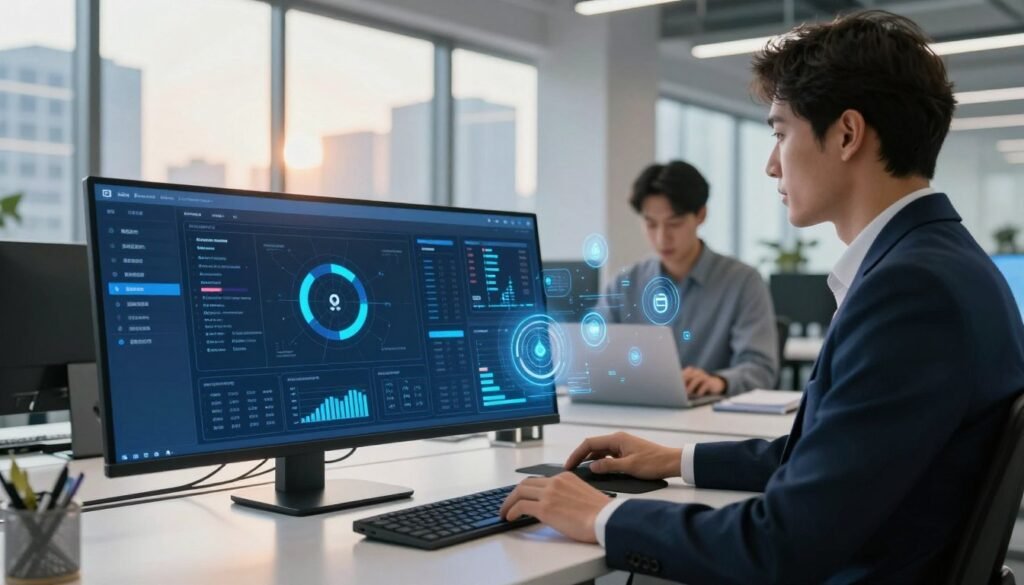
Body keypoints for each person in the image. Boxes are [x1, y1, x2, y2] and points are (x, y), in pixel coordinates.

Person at [501, 10, 1024, 583]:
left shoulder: (911, 289)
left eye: (780, 133)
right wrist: (675, 459)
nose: (771, 163)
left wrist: (607, 516)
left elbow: (782, 544)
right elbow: (828, 461)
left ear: (847, 134)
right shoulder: (938, 261)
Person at [599, 161, 778, 396]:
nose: (662, 238)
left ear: (701, 215)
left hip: (713, 416)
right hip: (638, 411)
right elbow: (596, 357)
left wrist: (719, 381)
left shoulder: (743, 282)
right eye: (651, 224)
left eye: (674, 224)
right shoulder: (624, 284)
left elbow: (761, 369)